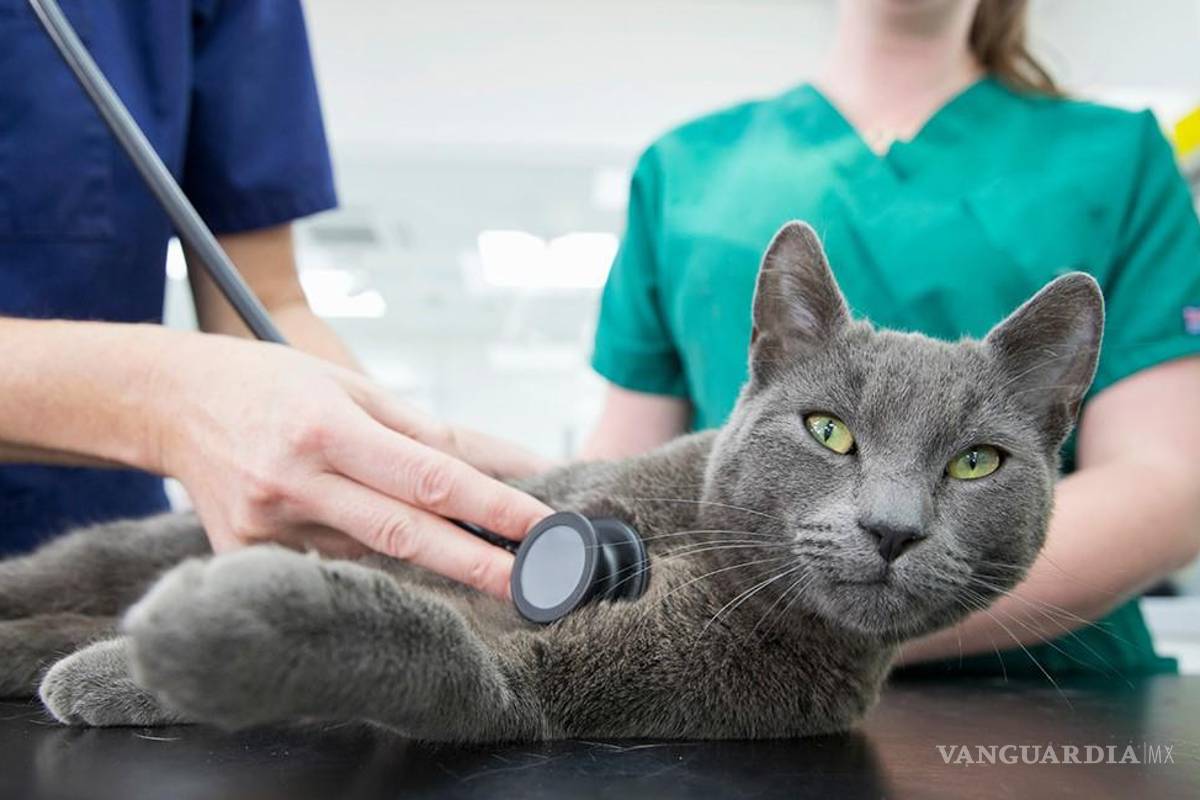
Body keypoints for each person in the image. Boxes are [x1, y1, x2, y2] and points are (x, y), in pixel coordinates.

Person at [584, 0, 1200, 676]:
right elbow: (626, 471)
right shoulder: (683, 169)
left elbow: (1169, 481)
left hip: (1048, 708)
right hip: (710, 705)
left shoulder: (1117, 158)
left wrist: (790, 632)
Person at [0, 1, 551, 599]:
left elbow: (263, 302)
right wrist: (163, 402)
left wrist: (392, 460)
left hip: (97, 582)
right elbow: (197, 387)